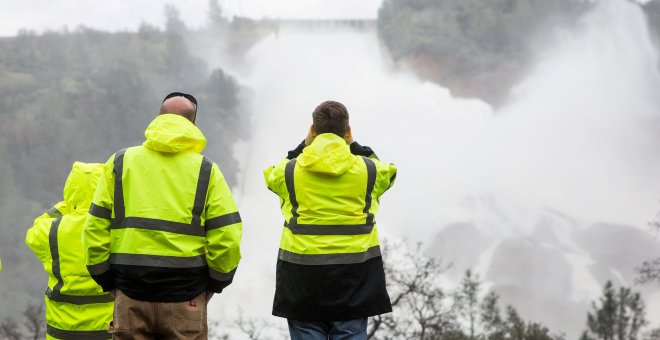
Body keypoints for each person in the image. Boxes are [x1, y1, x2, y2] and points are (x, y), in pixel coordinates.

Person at [83, 92, 242, 339]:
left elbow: (94, 228)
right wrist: (214, 284)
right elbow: (227, 236)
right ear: (193, 125)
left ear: (159, 119)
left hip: (130, 294)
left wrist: (107, 281)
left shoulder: (120, 162)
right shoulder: (206, 170)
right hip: (186, 296)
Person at [264, 100, 397, 340]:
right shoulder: (369, 170)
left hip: (301, 281)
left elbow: (273, 173)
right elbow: (386, 170)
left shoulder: (289, 171)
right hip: (355, 282)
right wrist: (353, 144)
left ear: (313, 130)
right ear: (347, 130)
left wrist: (303, 146)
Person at [26, 162, 113, 339]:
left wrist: (65, 206)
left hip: (61, 332)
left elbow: (33, 230)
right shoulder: (114, 229)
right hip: (108, 332)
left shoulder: (51, 230)